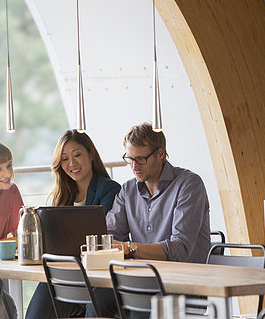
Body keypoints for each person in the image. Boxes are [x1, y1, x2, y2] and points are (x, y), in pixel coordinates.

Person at [85, 122, 211, 318]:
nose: (134, 166)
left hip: (180, 285)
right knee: (94, 299)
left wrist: (130, 248)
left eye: (140, 159)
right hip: (139, 280)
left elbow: (180, 249)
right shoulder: (128, 190)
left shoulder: (188, 185)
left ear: (161, 154)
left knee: (138, 304)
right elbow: (110, 235)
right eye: (129, 158)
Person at [25, 129, 121, 319]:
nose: (72, 164)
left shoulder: (110, 189)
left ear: (91, 154)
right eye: (64, 159)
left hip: (99, 275)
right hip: (67, 272)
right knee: (38, 308)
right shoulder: (62, 195)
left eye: (77, 155)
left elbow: (106, 235)